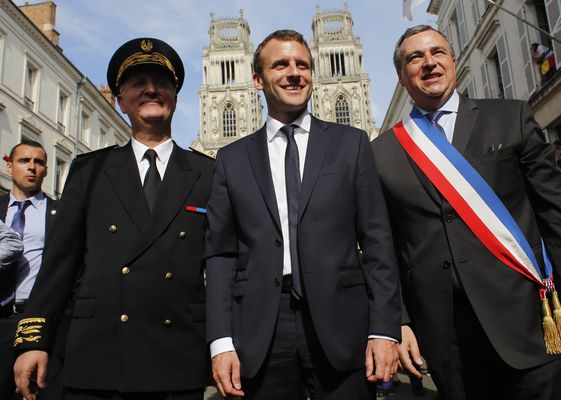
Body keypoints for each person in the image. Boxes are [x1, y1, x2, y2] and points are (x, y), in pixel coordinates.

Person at [371, 25, 561, 399]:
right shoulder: (382, 153)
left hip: (528, 322)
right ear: (400, 75)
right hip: (447, 337)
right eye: (416, 57)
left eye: (437, 52)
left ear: (453, 61)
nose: (429, 63)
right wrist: (399, 322)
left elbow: (558, 212)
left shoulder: (510, 117)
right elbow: (386, 247)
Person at [13, 38, 214, 400]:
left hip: (176, 356)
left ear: (175, 97)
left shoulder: (208, 172)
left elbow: (221, 266)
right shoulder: (89, 169)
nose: (151, 89)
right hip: (99, 355)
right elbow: (60, 263)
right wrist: (34, 340)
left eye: (161, 82)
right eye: (138, 83)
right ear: (121, 101)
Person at [205, 29, 402, 400]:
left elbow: (377, 241)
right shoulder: (231, 159)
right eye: (280, 64)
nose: (294, 73)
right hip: (262, 327)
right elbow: (220, 254)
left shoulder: (352, 143)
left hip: (342, 321)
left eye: (303, 64)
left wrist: (385, 329)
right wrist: (220, 340)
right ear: (258, 80)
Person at [0, 140, 59, 400]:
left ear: (46, 170)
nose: (32, 167)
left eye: (39, 162)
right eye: (25, 161)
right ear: (10, 165)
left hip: (35, 318)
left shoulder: (62, 214)